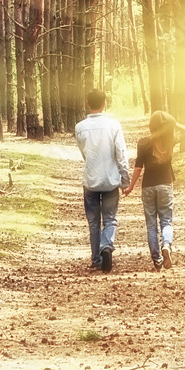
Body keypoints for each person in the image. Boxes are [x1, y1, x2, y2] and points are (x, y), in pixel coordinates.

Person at [123, 110, 185, 271]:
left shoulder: (143, 143)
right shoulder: (170, 140)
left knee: (151, 225)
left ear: (150, 126)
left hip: (148, 187)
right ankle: (166, 245)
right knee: (166, 221)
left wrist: (130, 187)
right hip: (165, 184)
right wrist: (173, 123)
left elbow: (138, 168)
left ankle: (157, 260)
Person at [74, 88, 130, 273]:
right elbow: (120, 153)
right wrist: (125, 178)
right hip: (110, 179)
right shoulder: (114, 126)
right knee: (110, 219)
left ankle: (96, 259)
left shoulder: (80, 127)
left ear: (88, 104)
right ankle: (106, 245)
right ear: (104, 103)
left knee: (93, 222)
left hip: (90, 180)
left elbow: (84, 152)